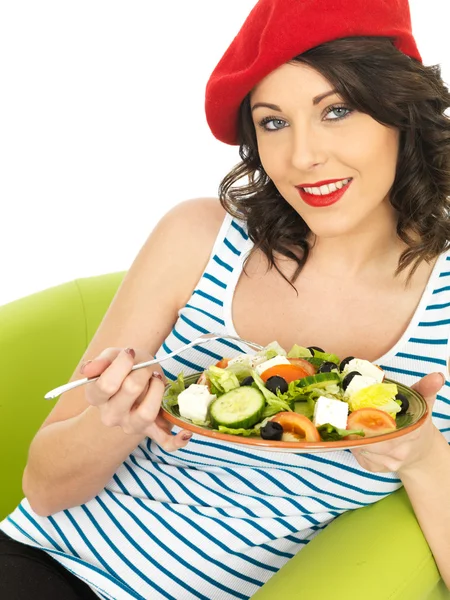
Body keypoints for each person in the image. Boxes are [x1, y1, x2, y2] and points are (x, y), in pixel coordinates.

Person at [1, 0, 450, 597]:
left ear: (402, 114)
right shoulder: (198, 237)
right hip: (43, 561)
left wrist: (420, 458)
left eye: (336, 110)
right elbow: (44, 490)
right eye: (273, 122)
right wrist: (114, 421)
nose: (303, 157)